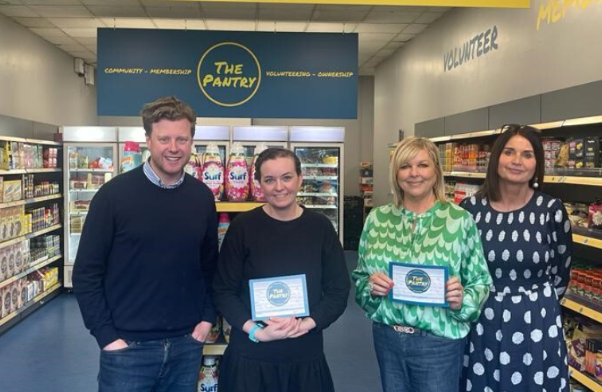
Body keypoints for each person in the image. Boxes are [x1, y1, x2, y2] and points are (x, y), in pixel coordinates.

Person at [73, 96, 218, 392]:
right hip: (127, 350)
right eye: (164, 139)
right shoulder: (113, 196)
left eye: (181, 139)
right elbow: (86, 273)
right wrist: (107, 337)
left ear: (191, 142)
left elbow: (210, 267)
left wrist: (206, 320)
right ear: (148, 141)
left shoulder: (202, 197)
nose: (173, 148)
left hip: (186, 345)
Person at [353, 136, 492, 392]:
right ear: (396, 173)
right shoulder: (377, 219)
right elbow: (360, 279)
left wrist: (461, 301)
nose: (414, 173)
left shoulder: (459, 220)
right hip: (387, 337)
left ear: (436, 171)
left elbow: (481, 281)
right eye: (405, 166)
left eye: (423, 165)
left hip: (439, 341)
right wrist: (370, 288)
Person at [213, 147, 350, 392]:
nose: (279, 187)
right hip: (251, 355)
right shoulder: (242, 228)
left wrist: (306, 324)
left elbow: (338, 291)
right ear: (259, 184)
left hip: (304, 353)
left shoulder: (320, 228)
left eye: (286, 177)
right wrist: (257, 331)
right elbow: (224, 291)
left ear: (300, 178)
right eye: (269, 180)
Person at [460, 124, 572, 392]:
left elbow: (562, 271)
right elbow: (462, 268)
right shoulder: (470, 211)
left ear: (537, 164)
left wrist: (532, 302)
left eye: (527, 154)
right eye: (509, 152)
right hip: (482, 318)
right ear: (496, 158)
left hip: (536, 320)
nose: (517, 161)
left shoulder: (551, 210)